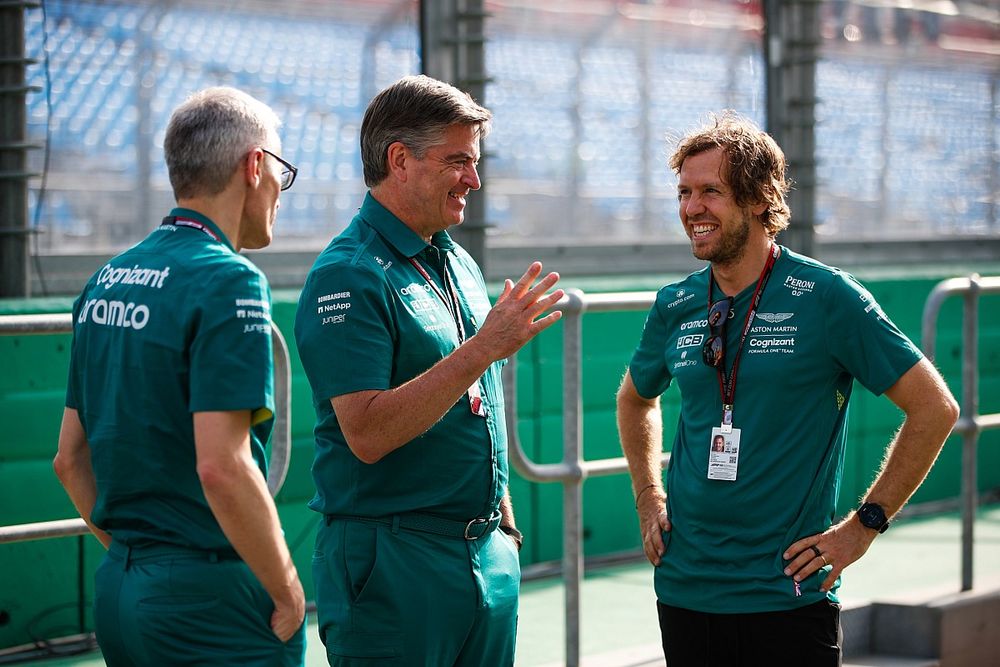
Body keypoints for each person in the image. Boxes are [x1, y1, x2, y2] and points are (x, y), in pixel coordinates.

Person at [615, 111, 959, 666]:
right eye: (683, 192)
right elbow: (635, 399)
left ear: (757, 198)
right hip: (683, 587)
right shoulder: (676, 304)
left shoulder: (828, 297)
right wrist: (647, 494)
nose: (691, 208)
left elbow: (934, 408)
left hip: (787, 593)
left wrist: (864, 525)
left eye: (710, 192)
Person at [293, 74, 563, 666]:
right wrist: (483, 348)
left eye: (475, 160)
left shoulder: (456, 258)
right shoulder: (349, 274)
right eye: (458, 161)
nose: (474, 179)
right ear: (400, 160)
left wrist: (504, 534)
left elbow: (479, 402)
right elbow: (364, 433)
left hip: (482, 555)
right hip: (394, 562)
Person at [53, 87, 306, 666]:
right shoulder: (231, 281)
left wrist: (137, 560)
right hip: (210, 600)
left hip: (122, 587)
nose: (278, 193)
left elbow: (69, 459)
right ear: (255, 166)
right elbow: (222, 466)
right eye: (282, 173)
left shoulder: (106, 278)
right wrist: (287, 584)